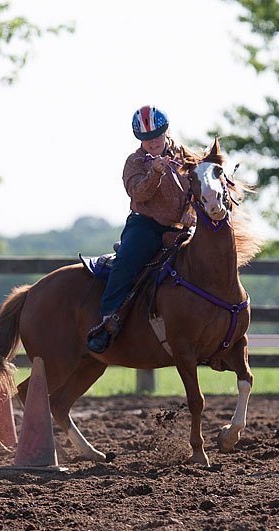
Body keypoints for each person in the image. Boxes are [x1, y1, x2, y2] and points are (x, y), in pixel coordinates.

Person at [86, 105, 196, 353]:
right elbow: (138, 193)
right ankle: (107, 321)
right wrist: (154, 174)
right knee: (125, 263)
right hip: (145, 225)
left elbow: (199, 181)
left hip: (181, 228)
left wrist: (190, 209)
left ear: (165, 132)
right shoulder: (134, 162)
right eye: (146, 138)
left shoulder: (183, 154)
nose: (153, 142)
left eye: (156, 135)